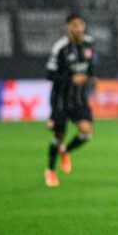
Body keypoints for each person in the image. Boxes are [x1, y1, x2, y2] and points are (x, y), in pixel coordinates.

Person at [43, 13, 96, 188]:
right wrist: (71, 79)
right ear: (68, 27)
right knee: (59, 135)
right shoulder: (60, 47)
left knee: (86, 132)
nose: (78, 28)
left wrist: (91, 78)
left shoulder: (89, 44)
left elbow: (90, 67)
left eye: (80, 25)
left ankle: (65, 151)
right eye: (74, 25)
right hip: (61, 99)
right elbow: (49, 74)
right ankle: (50, 171)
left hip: (79, 98)